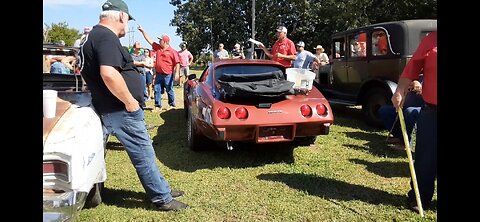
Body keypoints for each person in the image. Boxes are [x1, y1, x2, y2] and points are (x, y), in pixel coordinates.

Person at [78, 0, 188, 211]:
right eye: (127, 20)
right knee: (143, 153)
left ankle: (161, 188)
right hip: (120, 109)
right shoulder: (105, 37)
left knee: (145, 151)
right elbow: (109, 73)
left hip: (113, 107)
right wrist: (130, 102)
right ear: (122, 16)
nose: (126, 25)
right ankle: (162, 199)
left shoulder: (93, 36)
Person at [391, 31, 436, 213]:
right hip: (432, 110)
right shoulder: (431, 39)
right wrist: (400, 90)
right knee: (426, 158)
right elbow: (413, 66)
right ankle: (420, 198)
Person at [137, 26, 180, 112]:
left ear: (165, 42)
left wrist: (177, 73)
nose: (159, 41)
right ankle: (157, 105)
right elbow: (149, 40)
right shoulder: (158, 48)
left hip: (168, 74)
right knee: (157, 89)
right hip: (159, 74)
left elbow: (177, 63)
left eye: (160, 40)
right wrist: (143, 31)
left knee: (169, 89)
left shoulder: (172, 52)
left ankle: (172, 105)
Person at [379, 79, 424, 150]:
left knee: (409, 112)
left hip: (424, 109)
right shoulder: (413, 74)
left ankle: (405, 143)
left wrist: (421, 89)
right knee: (384, 110)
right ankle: (399, 136)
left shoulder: (431, 75)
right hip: (405, 106)